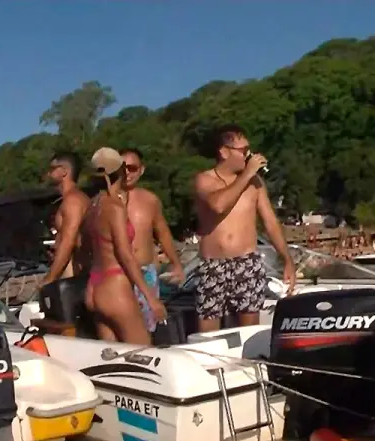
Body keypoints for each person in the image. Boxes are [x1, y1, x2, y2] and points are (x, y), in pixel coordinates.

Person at [193, 124, 295, 332]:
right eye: (243, 151)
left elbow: (270, 222)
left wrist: (287, 260)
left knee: (249, 331)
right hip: (213, 265)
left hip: (246, 263)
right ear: (224, 152)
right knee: (208, 333)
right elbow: (218, 205)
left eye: (249, 150)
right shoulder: (204, 179)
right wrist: (247, 174)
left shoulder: (255, 183)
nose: (249, 155)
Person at [83, 148, 167, 344]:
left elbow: (86, 249)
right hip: (115, 288)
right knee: (143, 354)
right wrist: (151, 298)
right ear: (120, 171)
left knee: (113, 359)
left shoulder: (91, 207)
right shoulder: (114, 207)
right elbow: (125, 255)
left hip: (94, 286)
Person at [120, 147, 185, 333]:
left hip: (146, 272)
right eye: (122, 167)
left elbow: (163, 233)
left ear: (141, 170)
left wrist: (176, 264)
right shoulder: (105, 201)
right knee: (123, 328)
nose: (127, 172)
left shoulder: (150, 200)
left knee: (147, 329)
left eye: (132, 168)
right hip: (118, 274)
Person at [42, 151, 91, 286]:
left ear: (64, 171)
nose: (48, 173)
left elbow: (68, 241)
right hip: (73, 272)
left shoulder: (73, 201)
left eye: (52, 169)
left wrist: (50, 278)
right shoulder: (70, 199)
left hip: (76, 276)